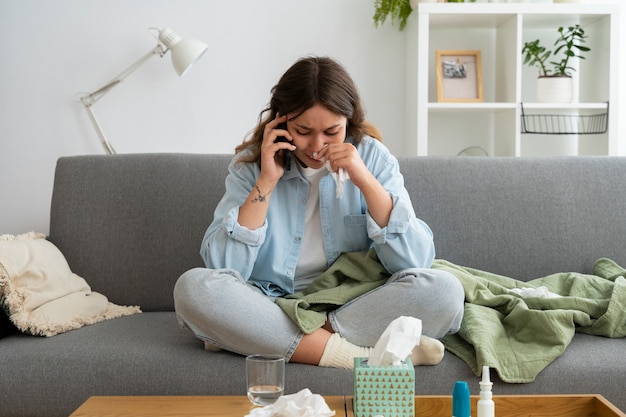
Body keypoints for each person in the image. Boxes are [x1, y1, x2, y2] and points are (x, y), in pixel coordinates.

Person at [173, 56, 464, 369]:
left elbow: (413, 262)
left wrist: (363, 179)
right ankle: (357, 357)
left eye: (331, 132)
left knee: (445, 291)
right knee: (193, 289)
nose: (316, 146)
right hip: (270, 302)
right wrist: (267, 180)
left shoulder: (373, 157)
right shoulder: (253, 165)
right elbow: (224, 267)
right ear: (282, 122)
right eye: (303, 131)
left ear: (348, 121)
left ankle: (261, 338)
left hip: (350, 303)